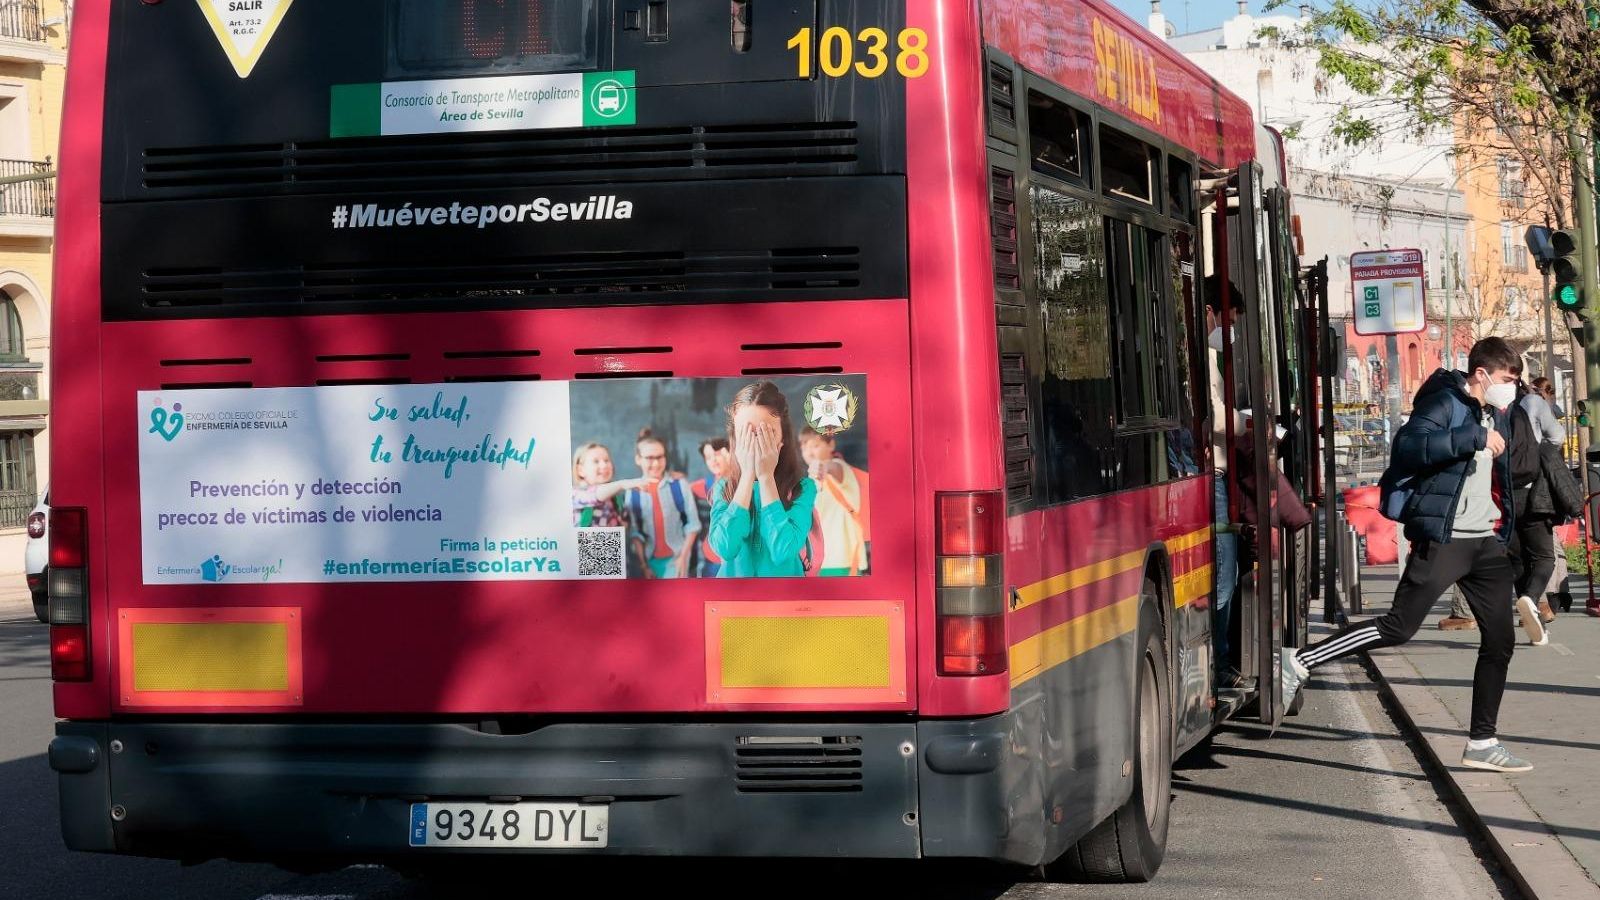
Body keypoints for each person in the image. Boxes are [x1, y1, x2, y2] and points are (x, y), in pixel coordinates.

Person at [1282, 337, 1532, 773]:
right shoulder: (1444, 401)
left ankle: (1482, 742)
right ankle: (1299, 660)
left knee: (1500, 640)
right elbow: (1410, 448)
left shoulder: (1493, 412)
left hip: (1483, 540)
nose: (1511, 388)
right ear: (1482, 375)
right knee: (1398, 627)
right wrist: (1471, 437)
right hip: (1445, 537)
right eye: (1507, 380)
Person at [707, 382, 817, 578]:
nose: (755, 441)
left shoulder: (803, 488)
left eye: (766, 432)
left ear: (783, 438)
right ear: (735, 439)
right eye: (746, 433)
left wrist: (766, 477)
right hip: (732, 602)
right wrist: (748, 476)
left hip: (784, 601)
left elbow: (783, 550)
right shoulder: (724, 487)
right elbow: (724, 548)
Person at [1203, 276, 1248, 685]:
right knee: (1223, 572)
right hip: (1211, 478)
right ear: (1209, 314)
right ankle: (1219, 663)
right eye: (1226, 322)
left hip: (1212, 474)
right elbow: (1212, 414)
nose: (1226, 332)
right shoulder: (1199, 355)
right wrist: (1247, 423)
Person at [622, 428, 701, 578]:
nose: (656, 463)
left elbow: (693, 525)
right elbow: (635, 533)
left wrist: (683, 558)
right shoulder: (632, 492)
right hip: (649, 562)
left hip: (676, 559)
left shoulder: (679, 484)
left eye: (660, 457)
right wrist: (644, 566)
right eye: (650, 458)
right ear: (638, 459)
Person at [800, 427, 868, 576]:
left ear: (831, 444)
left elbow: (833, 467)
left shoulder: (840, 467)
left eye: (815, 446)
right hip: (818, 560)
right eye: (804, 447)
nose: (809, 452)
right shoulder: (811, 479)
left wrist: (824, 466)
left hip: (842, 559)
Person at [571, 443, 646, 527]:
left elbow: (625, 521)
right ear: (580, 470)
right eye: (596, 461)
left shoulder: (616, 499)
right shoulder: (575, 494)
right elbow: (595, 495)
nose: (604, 465)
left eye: (606, 460)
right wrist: (621, 484)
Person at [690, 437, 732, 577]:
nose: (713, 460)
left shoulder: (744, 481)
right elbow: (683, 488)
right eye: (708, 457)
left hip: (736, 558)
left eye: (717, 454)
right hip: (711, 558)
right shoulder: (706, 485)